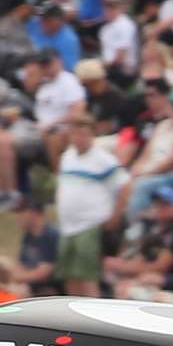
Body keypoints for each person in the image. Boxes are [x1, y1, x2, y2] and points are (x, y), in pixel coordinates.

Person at [54, 114, 128, 297]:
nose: (79, 138)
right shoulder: (67, 157)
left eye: (84, 134)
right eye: (76, 133)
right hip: (67, 226)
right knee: (69, 275)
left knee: (87, 276)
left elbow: (125, 185)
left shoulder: (103, 160)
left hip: (89, 224)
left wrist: (115, 216)